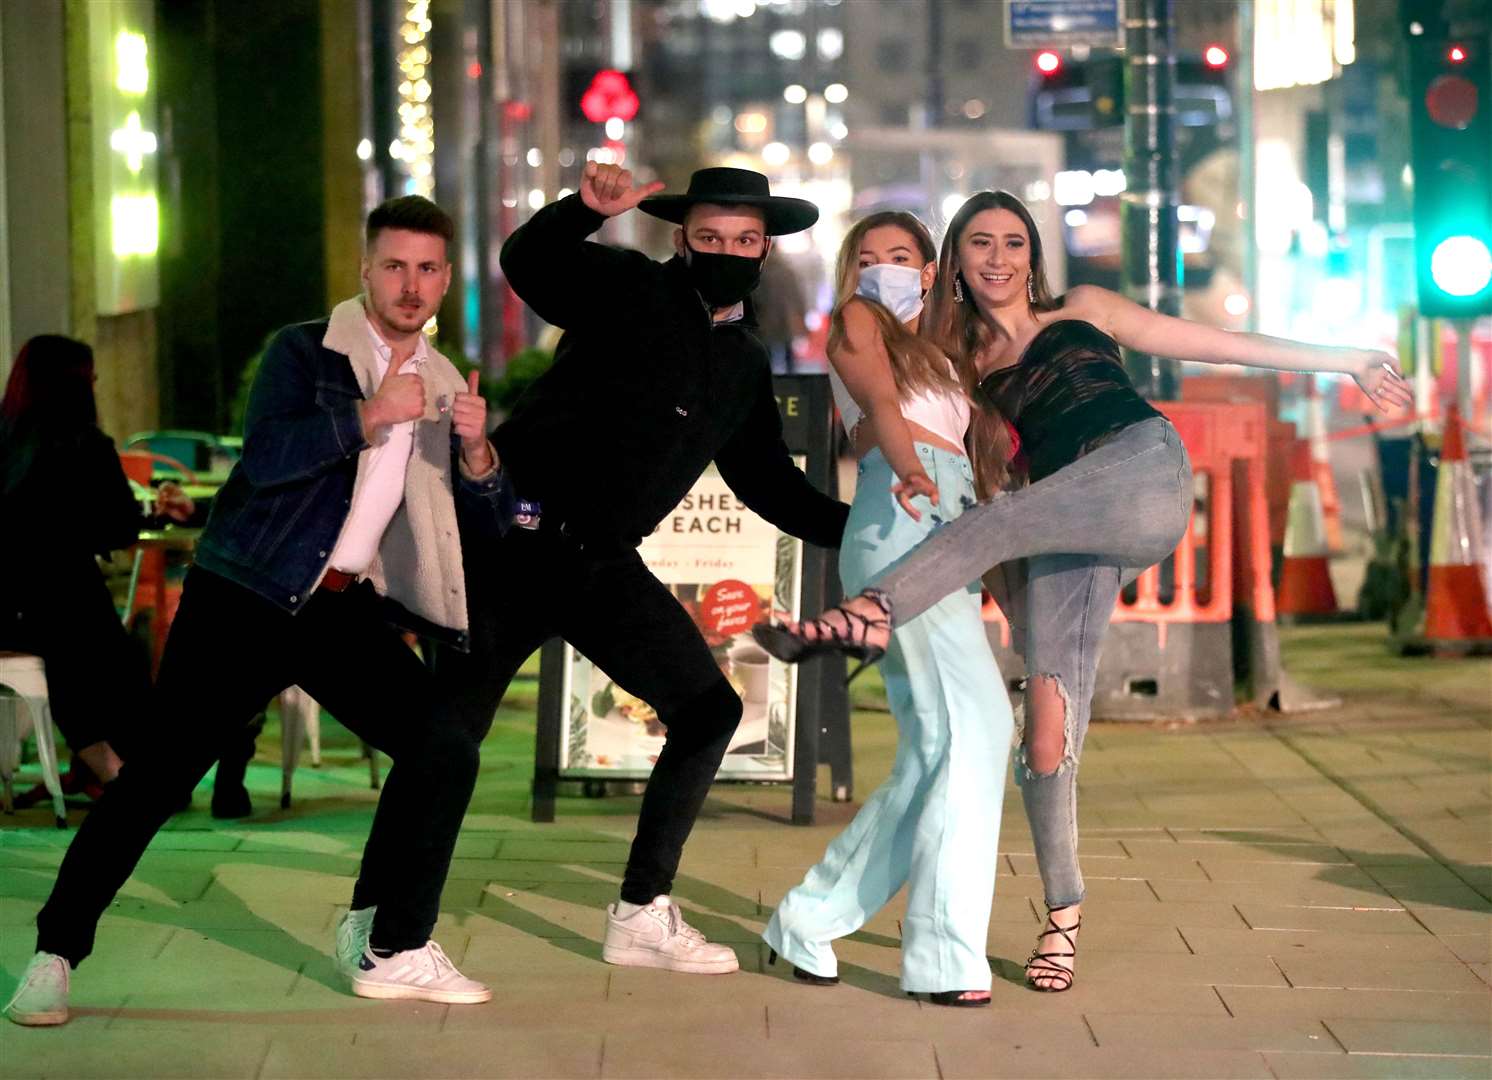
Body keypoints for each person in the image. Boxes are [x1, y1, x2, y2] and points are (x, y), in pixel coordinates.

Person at [755, 190, 1411, 992]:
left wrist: (1347, 359)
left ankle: (865, 614)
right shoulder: (957, 362)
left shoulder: (1086, 307)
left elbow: (1218, 341)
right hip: (1057, 518)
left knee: (994, 573)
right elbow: (911, 422)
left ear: (1034, 255)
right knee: (1040, 733)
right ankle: (1061, 916)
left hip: (1138, 472)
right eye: (980, 245)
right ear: (955, 264)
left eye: (1014, 243)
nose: (998, 259)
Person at [4, 195, 510, 1026]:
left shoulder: (448, 382)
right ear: (365, 270)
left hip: (342, 609)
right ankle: (55, 954)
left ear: (447, 279)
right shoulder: (304, 352)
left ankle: (389, 943)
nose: (409, 284)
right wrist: (367, 416)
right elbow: (266, 458)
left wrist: (480, 453)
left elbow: (483, 524)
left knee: (443, 747)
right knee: (158, 781)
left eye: (426, 268)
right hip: (245, 594)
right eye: (394, 265)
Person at [442, 164, 847, 975]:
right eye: (709, 239)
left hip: (597, 564)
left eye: (743, 240)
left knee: (706, 712)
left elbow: (765, 481)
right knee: (446, 741)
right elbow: (528, 263)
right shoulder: (627, 288)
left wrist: (873, 531)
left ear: (765, 247)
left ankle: (639, 912)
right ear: (680, 240)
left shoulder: (741, 359)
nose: (726, 252)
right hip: (511, 548)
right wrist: (583, 213)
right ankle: (385, 919)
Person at [761, 212, 1012, 1006]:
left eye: (901, 256)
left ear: (931, 271)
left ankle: (810, 915)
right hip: (903, 514)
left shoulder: (941, 352)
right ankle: (941, 956)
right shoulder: (858, 319)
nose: (883, 268)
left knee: (940, 746)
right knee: (973, 731)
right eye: (867, 257)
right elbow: (877, 399)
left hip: (944, 522)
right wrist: (908, 469)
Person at [0, 335, 196, 794]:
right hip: (60, 597)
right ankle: (116, 766)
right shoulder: (85, 445)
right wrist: (155, 513)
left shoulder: (5, 439)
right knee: (106, 654)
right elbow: (116, 529)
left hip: (9, 606)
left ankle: (95, 765)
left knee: (88, 649)